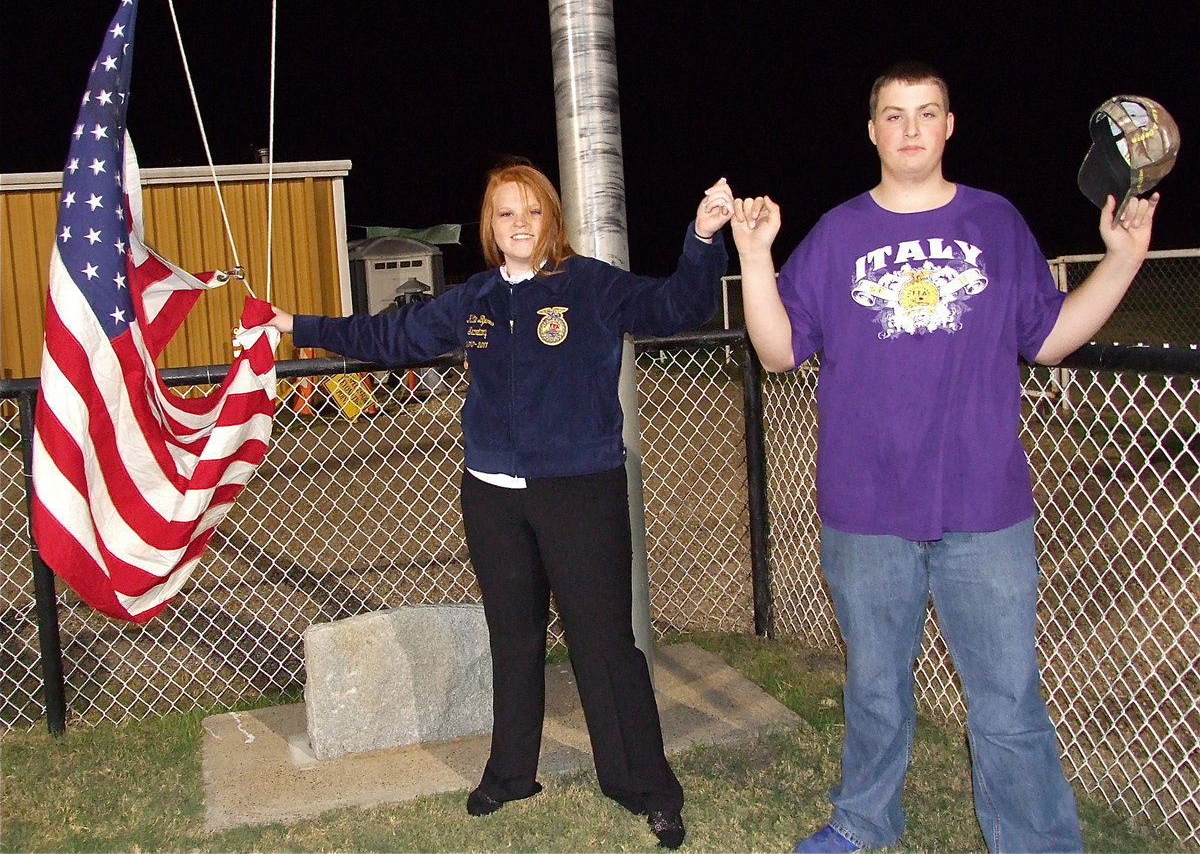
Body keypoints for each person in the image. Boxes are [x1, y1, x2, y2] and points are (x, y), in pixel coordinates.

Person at [729, 62, 1159, 854]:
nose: (912, 128)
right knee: (876, 692)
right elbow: (780, 351)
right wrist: (757, 257)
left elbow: (1052, 340)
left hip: (984, 508)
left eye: (927, 112)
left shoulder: (997, 225)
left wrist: (1124, 259)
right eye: (894, 115)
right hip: (865, 510)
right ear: (873, 132)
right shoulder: (837, 234)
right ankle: (862, 824)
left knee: (1006, 700)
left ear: (950, 125)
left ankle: (1037, 842)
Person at [268, 161, 731, 849]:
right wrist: (297, 323)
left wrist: (701, 236)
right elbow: (390, 340)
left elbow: (676, 307)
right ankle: (512, 773)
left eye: (532, 211)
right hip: (492, 496)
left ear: (552, 220)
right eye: (505, 213)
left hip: (579, 492)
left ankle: (644, 786)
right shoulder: (475, 298)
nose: (519, 223)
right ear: (490, 226)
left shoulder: (591, 286)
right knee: (513, 639)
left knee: (604, 645)